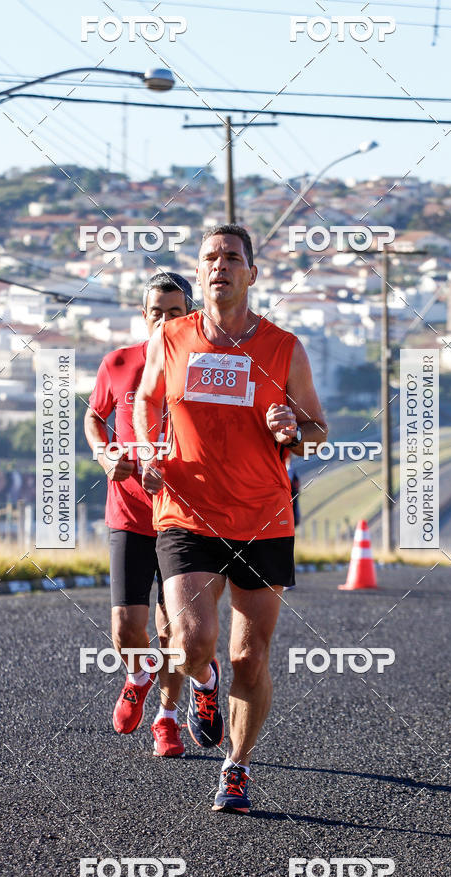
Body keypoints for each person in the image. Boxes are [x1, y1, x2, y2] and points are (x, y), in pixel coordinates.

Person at [134, 224, 327, 811]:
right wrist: (146, 450)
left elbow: (317, 431)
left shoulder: (283, 347)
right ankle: (203, 684)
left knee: (251, 656)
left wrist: (294, 432)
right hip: (186, 512)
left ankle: (236, 767)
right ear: (199, 273)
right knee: (192, 643)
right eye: (210, 257)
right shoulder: (170, 337)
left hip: (263, 518)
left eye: (232, 257)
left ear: (252, 274)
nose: (220, 265)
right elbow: (145, 400)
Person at [84, 272, 192, 756]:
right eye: (157, 312)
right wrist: (104, 454)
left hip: (184, 518)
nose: (165, 320)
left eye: (175, 312)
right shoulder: (118, 362)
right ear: (143, 315)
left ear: (191, 314)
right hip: (127, 513)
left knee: (175, 631)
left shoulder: (206, 366)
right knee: (127, 628)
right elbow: (93, 415)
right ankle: (138, 672)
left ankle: (167, 720)